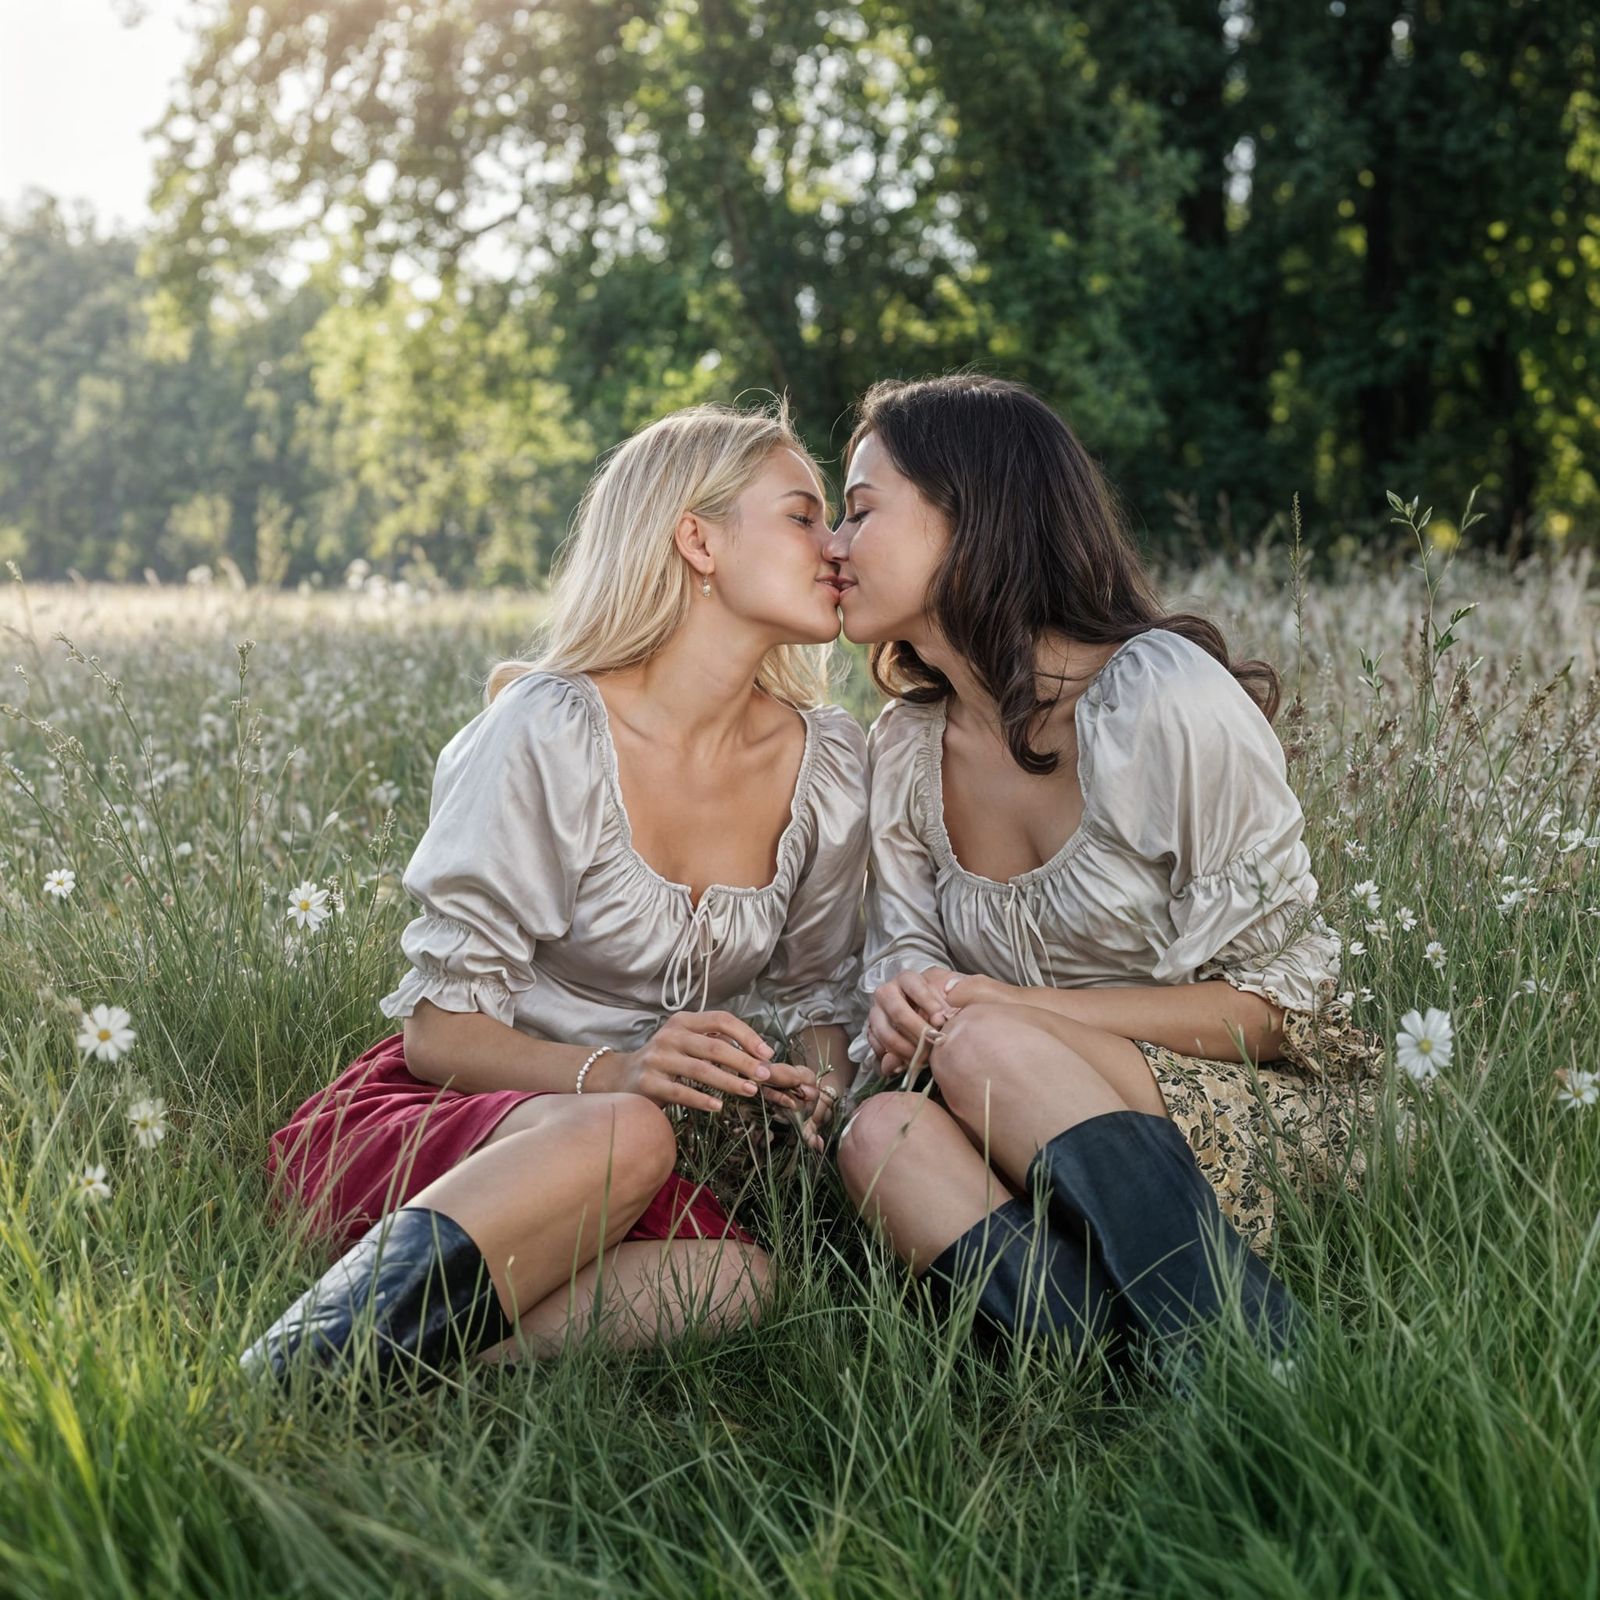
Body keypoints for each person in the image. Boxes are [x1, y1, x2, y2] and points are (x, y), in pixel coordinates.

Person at [243, 400, 870, 1386]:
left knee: (742, 1280)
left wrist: (815, 1104)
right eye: (802, 514)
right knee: (625, 1131)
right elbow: (439, 1034)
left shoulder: (827, 760)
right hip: (483, 1118)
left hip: (643, 1147)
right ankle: (279, 1375)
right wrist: (619, 1074)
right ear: (696, 539)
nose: (836, 544)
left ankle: (400, 1367)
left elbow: (819, 992)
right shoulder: (549, 727)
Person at [823, 374, 1381, 1368]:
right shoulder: (903, 749)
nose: (834, 543)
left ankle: (1258, 1361)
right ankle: (1110, 1374)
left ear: (972, 511)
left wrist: (1010, 1011)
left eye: (861, 510)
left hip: (1253, 1111)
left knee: (983, 1044)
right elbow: (905, 951)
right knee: (880, 1135)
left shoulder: (1161, 700)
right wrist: (903, 1002)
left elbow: (1278, 1009)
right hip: (1015, 1117)